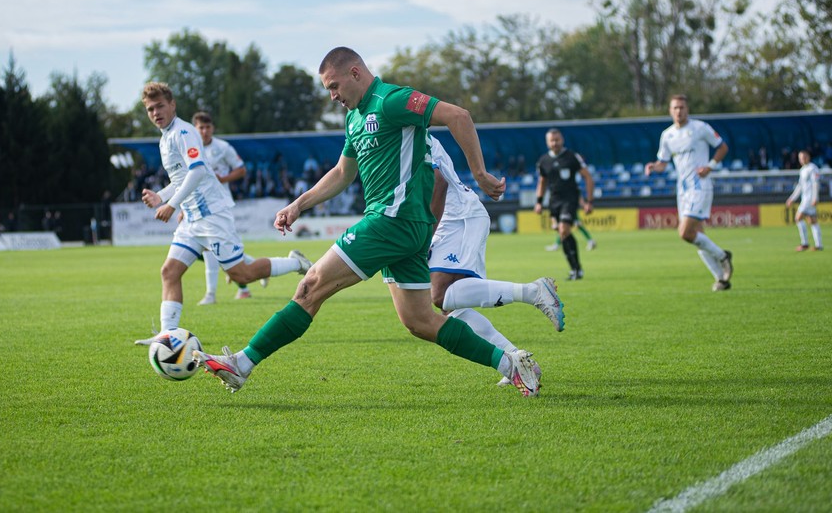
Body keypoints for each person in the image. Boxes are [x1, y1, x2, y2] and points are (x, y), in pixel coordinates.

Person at [193, 47, 544, 397]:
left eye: (334, 86)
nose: (333, 96)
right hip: (403, 227)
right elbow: (344, 172)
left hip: (392, 219)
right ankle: (512, 364)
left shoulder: (392, 99)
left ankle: (242, 364)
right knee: (420, 322)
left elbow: (459, 116)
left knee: (311, 285)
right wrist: (299, 205)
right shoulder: (354, 119)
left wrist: (480, 173)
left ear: (355, 73)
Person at [134, 82, 311, 345]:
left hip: (213, 216)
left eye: (160, 106)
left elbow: (198, 171)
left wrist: (171, 205)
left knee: (243, 274)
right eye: (150, 109)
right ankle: (167, 336)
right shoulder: (165, 137)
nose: (156, 112)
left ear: (172, 105)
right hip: (192, 219)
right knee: (169, 271)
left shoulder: (184, 131)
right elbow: (182, 177)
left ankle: (296, 263)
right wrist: (162, 196)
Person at [427, 134, 564, 387]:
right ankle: (518, 361)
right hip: (453, 219)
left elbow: (438, 182)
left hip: (458, 218)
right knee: (450, 309)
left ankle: (533, 291)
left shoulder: (408, 131)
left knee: (439, 295)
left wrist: (424, 236)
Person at [645, 94, 734, 291]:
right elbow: (663, 162)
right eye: (675, 108)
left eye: (682, 107)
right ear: (670, 111)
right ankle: (721, 279)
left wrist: (710, 166)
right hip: (682, 190)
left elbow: (722, 147)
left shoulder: (700, 128)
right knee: (697, 234)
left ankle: (722, 256)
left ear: (688, 109)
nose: (679, 111)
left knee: (685, 233)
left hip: (700, 185)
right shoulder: (667, 135)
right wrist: (653, 166)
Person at [191, 110, 266, 304]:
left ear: (213, 128)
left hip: (219, 205)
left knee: (212, 249)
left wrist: (223, 178)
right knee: (207, 248)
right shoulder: (190, 149)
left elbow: (241, 169)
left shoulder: (223, 148)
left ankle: (211, 295)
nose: (205, 131)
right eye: (201, 127)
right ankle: (259, 268)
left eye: (208, 127)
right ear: (195, 129)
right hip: (196, 206)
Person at [534, 129, 595, 280]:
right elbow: (542, 182)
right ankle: (575, 269)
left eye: (557, 140)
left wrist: (589, 201)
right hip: (554, 201)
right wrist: (539, 202)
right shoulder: (543, 160)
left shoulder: (572, 157)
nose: (555, 143)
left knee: (564, 229)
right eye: (552, 141)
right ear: (547, 142)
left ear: (562, 140)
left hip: (570, 198)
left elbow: (587, 177)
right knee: (562, 233)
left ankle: (576, 269)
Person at [786, 149, 823, 251]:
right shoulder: (803, 170)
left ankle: (805, 243)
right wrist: (792, 198)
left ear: (808, 157)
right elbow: (800, 187)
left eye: (803, 157)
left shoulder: (813, 168)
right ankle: (819, 245)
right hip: (806, 198)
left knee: (798, 218)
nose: (801, 160)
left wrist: (815, 198)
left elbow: (816, 184)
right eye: (800, 158)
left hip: (809, 199)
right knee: (812, 221)